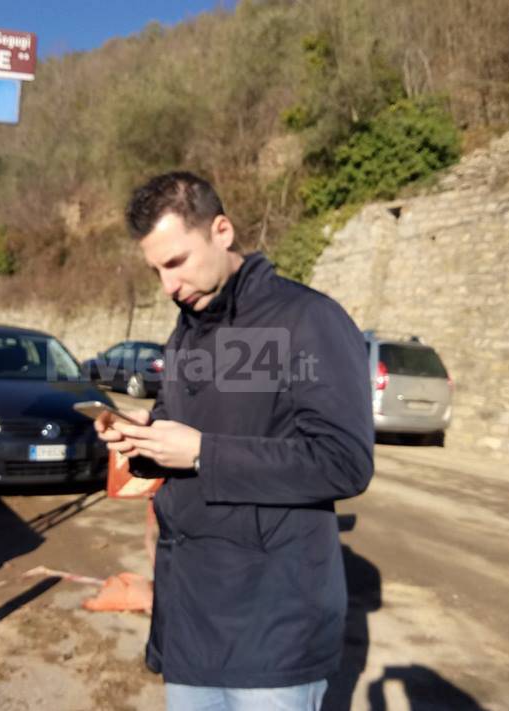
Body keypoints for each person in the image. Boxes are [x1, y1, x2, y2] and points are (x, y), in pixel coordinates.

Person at [95, 171, 374, 711]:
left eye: (176, 263)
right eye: (157, 271)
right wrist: (143, 436)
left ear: (221, 230)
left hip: (275, 626)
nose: (168, 287)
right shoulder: (186, 333)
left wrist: (202, 452)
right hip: (192, 621)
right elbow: (187, 430)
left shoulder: (308, 320)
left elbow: (344, 462)